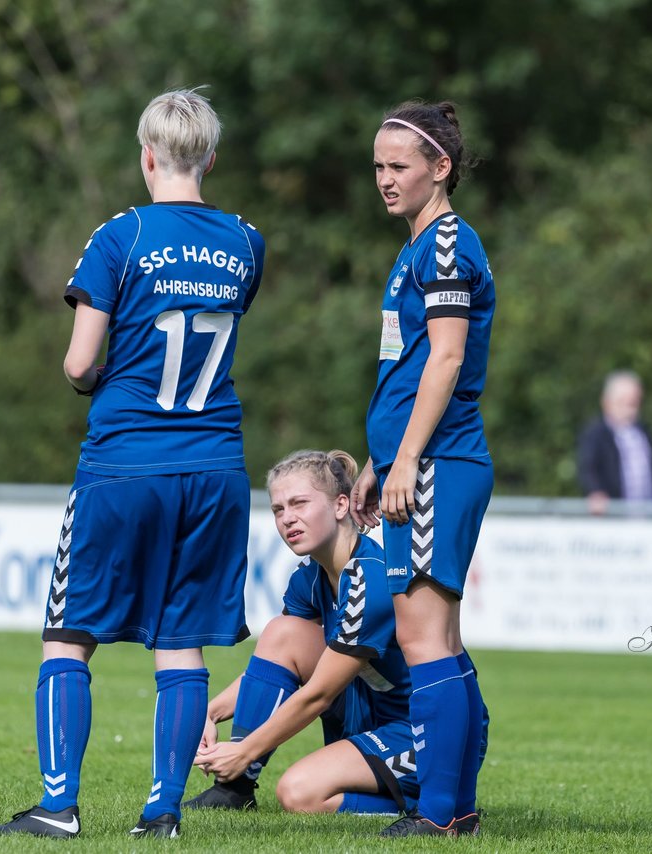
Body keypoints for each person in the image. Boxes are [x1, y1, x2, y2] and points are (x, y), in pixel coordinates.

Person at [0, 87, 266, 840]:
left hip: (125, 462)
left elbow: (80, 363)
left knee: (69, 633)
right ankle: (162, 812)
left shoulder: (121, 236)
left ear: (146, 156)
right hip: (214, 467)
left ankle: (58, 805)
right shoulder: (244, 240)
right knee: (180, 640)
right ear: (211, 156)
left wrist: (97, 380)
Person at [190, 450, 487, 823]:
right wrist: (209, 712)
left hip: (421, 733)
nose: (288, 519)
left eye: (299, 503)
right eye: (279, 509)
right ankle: (235, 790)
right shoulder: (308, 578)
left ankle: (425, 808)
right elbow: (274, 666)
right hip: (369, 713)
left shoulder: (371, 579)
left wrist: (245, 750)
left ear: (341, 505)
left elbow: (319, 693)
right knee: (284, 631)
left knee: (298, 793)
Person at [349, 100, 494, 838]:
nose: (384, 178)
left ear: (441, 168)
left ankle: (438, 815)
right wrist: (381, 459)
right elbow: (409, 368)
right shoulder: (418, 248)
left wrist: (405, 459)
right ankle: (455, 808)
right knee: (440, 638)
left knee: (422, 637)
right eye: (377, 165)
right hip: (419, 460)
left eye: (398, 165)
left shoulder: (444, 246)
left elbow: (445, 355)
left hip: (439, 462)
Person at [576, 370, 652, 515]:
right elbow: (588, 468)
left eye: (634, 402)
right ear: (607, 402)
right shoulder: (596, 434)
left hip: (649, 513)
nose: (629, 407)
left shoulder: (645, 433)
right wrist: (596, 492)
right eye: (623, 401)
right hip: (615, 515)